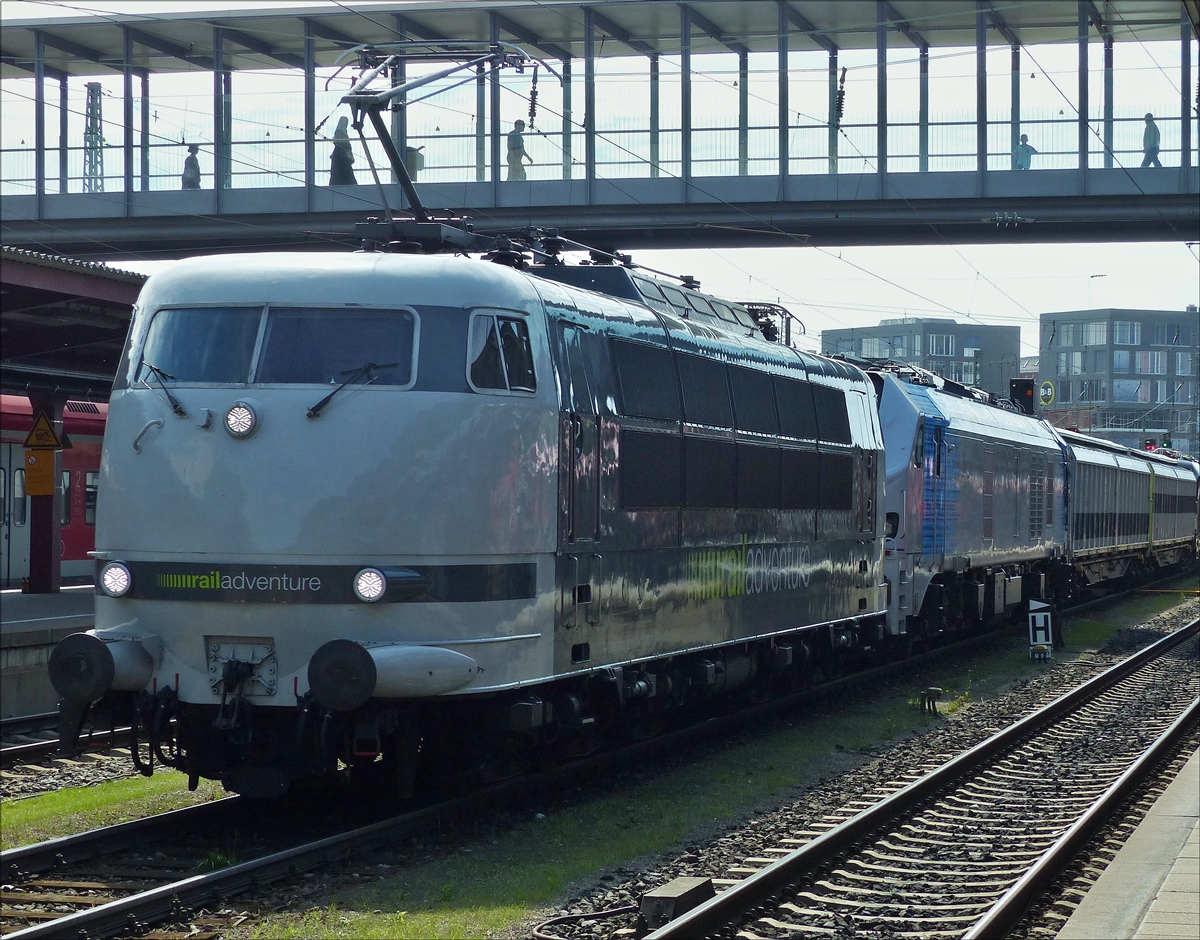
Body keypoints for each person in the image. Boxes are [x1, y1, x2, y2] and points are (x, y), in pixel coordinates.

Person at [330, 116, 357, 185]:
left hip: (340, 155)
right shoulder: (340, 132)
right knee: (346, 172)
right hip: (343, 156)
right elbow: (343, 144)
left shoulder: (340, 132)